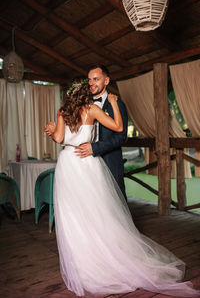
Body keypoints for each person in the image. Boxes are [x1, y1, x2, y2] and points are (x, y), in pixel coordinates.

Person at [44, 81, 199, 298]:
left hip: (68, 163)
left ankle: (84, 262)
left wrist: (52, 130)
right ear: (85, 95)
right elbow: (118, 127)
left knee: (73, 215)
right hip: (87, 163)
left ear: (69, 97)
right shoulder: (93, 109)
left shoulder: (62, 111)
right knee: (98, 212)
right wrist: (115, 104)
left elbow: (59, 139)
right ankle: (102, 256)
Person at [74, 65, 128, 199]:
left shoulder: (116, 103)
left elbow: (121, 136)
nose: (91, 83)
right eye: (89, 80)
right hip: (87, 162)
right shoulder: (83, 105)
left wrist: (95, 148)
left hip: (110, 162)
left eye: (96, 79)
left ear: (106, 81)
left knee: (116, 202)